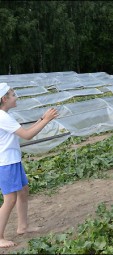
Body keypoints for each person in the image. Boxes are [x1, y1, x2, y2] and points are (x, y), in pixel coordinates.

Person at [0, 82, 59, 248]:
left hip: (12, 160)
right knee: (10, 199)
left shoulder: (4, 116)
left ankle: (23, 226)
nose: (15, 97)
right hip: (5, 164)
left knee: (23, 191)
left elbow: (23, 131)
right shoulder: (2, 117)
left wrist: (41, 119)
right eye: (12, 95)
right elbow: (27, 135)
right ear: (4, 99)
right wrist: (46, 120)